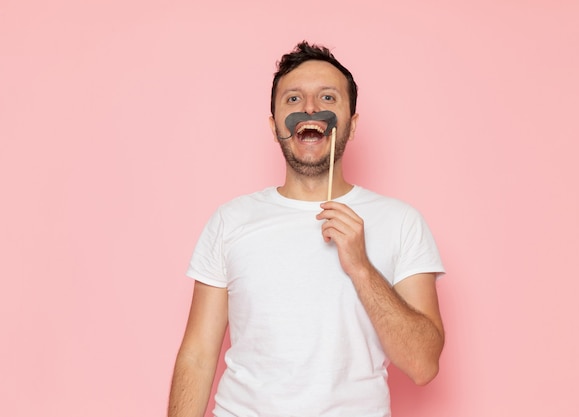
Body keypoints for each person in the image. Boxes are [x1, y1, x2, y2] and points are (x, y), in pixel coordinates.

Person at [168, 41, 445, 417]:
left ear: (352, 122)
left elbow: (423, 365)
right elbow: (198, 355)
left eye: (328, 98)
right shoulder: (230, 220)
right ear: (274, 125)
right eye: (293, 99)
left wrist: (361, 266)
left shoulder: (402, 222)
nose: (310, 109)